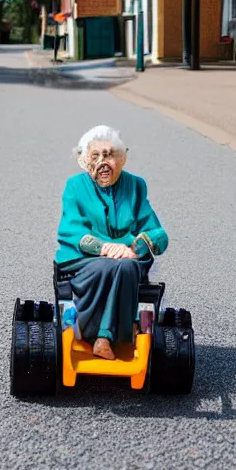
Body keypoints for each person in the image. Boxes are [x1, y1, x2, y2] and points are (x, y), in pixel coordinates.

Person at [54, 125, 169, 360]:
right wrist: (105, 248)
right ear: (84, 161)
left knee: (125, 266)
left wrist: (135, 249)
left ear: (122, 159)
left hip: (127, 259)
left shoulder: (136, 186)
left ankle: (104, 337)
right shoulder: (75, 186)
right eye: (95, 156)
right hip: (83, 260)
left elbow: (157, 233)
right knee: (108, 266)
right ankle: (105, 332)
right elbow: (71, 231)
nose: (102, 163)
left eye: (109, 155)